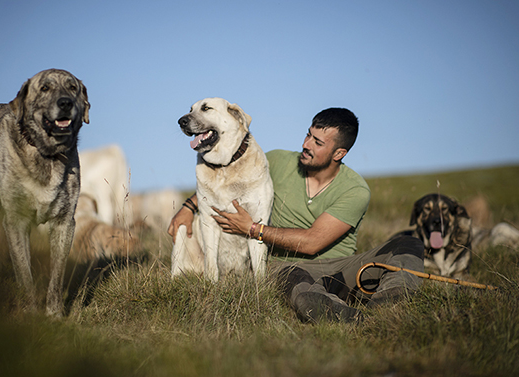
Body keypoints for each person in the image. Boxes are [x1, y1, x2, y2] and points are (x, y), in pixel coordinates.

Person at [168, 107, 424, 323]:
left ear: (339, 154)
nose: (306, 145)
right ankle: (341, 314)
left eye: (317, 142)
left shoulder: (355, 189)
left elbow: (313, 242)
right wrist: (189, 207)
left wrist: (254, 230)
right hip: (287, 269)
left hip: (339, 269)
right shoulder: (277, 161)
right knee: (298, 283)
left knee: (408, 244)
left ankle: (390, 301)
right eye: (308, 135)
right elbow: (226, 181)